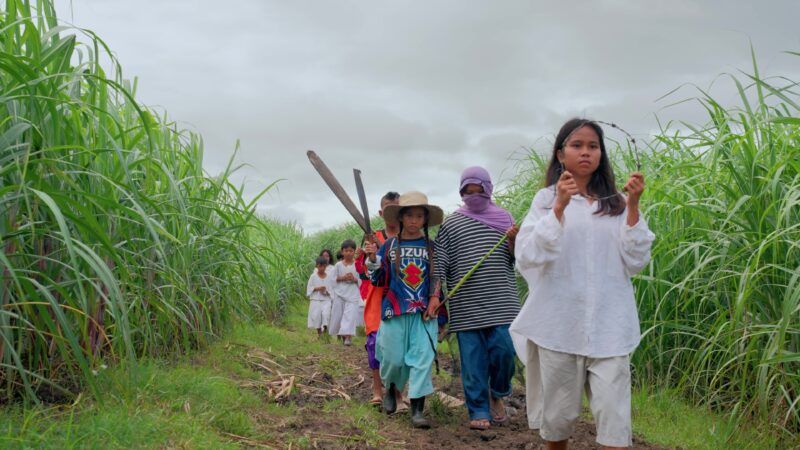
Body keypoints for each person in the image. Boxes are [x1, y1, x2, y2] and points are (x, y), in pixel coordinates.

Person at [509, 118, 655, 450]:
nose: (586, 152)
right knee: (557, 423)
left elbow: (636, 260)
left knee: (615, 424)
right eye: (577, 146)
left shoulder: (616, 204)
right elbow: (528, 257)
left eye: (593, 146)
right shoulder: (545, 200)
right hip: (558, 327)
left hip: (610, 328)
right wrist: (559, 207)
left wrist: (633, 206)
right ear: (561, 154)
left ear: (601, 154)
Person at [432, 166, 521, 431]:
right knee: (473, 363)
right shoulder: (451, 223)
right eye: (467, 192)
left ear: (488, 189)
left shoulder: (506, 219)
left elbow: (516, 259)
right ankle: (479, 409)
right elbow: (441, 263)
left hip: (502, 303)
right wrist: (437, 296)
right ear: (461, 192)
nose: (473, 196)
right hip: (466, 306)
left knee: (505, 352)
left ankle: (498, 392)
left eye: (477, 191)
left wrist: (514, 243)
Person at [364, 191, 443, 429]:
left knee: (422, 360)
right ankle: (391, 388)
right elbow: (377, 279)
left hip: (423, 313)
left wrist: (434, 297)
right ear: (400, 217)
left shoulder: (431, 247)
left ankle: (418, 410)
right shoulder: (389, 246)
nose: (413, 221)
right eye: (409, 215)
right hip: (395, 310)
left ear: (425, 220)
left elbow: (437, 275)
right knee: (393, 358)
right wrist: (372, 259)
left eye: (419, 216)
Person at [355, 191, 404, 407]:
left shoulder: (410, 237)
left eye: (397, 208)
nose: (393, 213)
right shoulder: (371, 238)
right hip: (377, 299)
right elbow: (364, 272)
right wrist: (369, 255)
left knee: (401, 348)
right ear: (381, 212)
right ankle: (377, 389)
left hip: (401, 299)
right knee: (375, 344)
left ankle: (398, 392)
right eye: (388, 209)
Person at [334, 239, 361, 346]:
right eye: (346, 251)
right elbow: (332, 279)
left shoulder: (358, 264)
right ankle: (343, 335)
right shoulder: (338, 265)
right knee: (340, 315)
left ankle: (348, 338)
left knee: (350, 315)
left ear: (354, 251)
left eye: (351, 251)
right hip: (340, 293)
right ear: (342, 252)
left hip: (353, 293)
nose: (348, 253)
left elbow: (362, 280)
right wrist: (343, 278)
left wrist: (354, 279)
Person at [306, 256, 334, 337]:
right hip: (315, 299)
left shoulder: (329, 277)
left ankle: (325, 329)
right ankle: (319, 333)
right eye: (320, 266)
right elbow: (309, 288)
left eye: (324, 266)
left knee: (326, 314)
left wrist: (325, 291)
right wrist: (317, 288)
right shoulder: (313, 276)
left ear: (326, 266)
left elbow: (331, 290)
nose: (322, 268)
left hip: (326, 300)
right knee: (317, 315)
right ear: (317, 266)